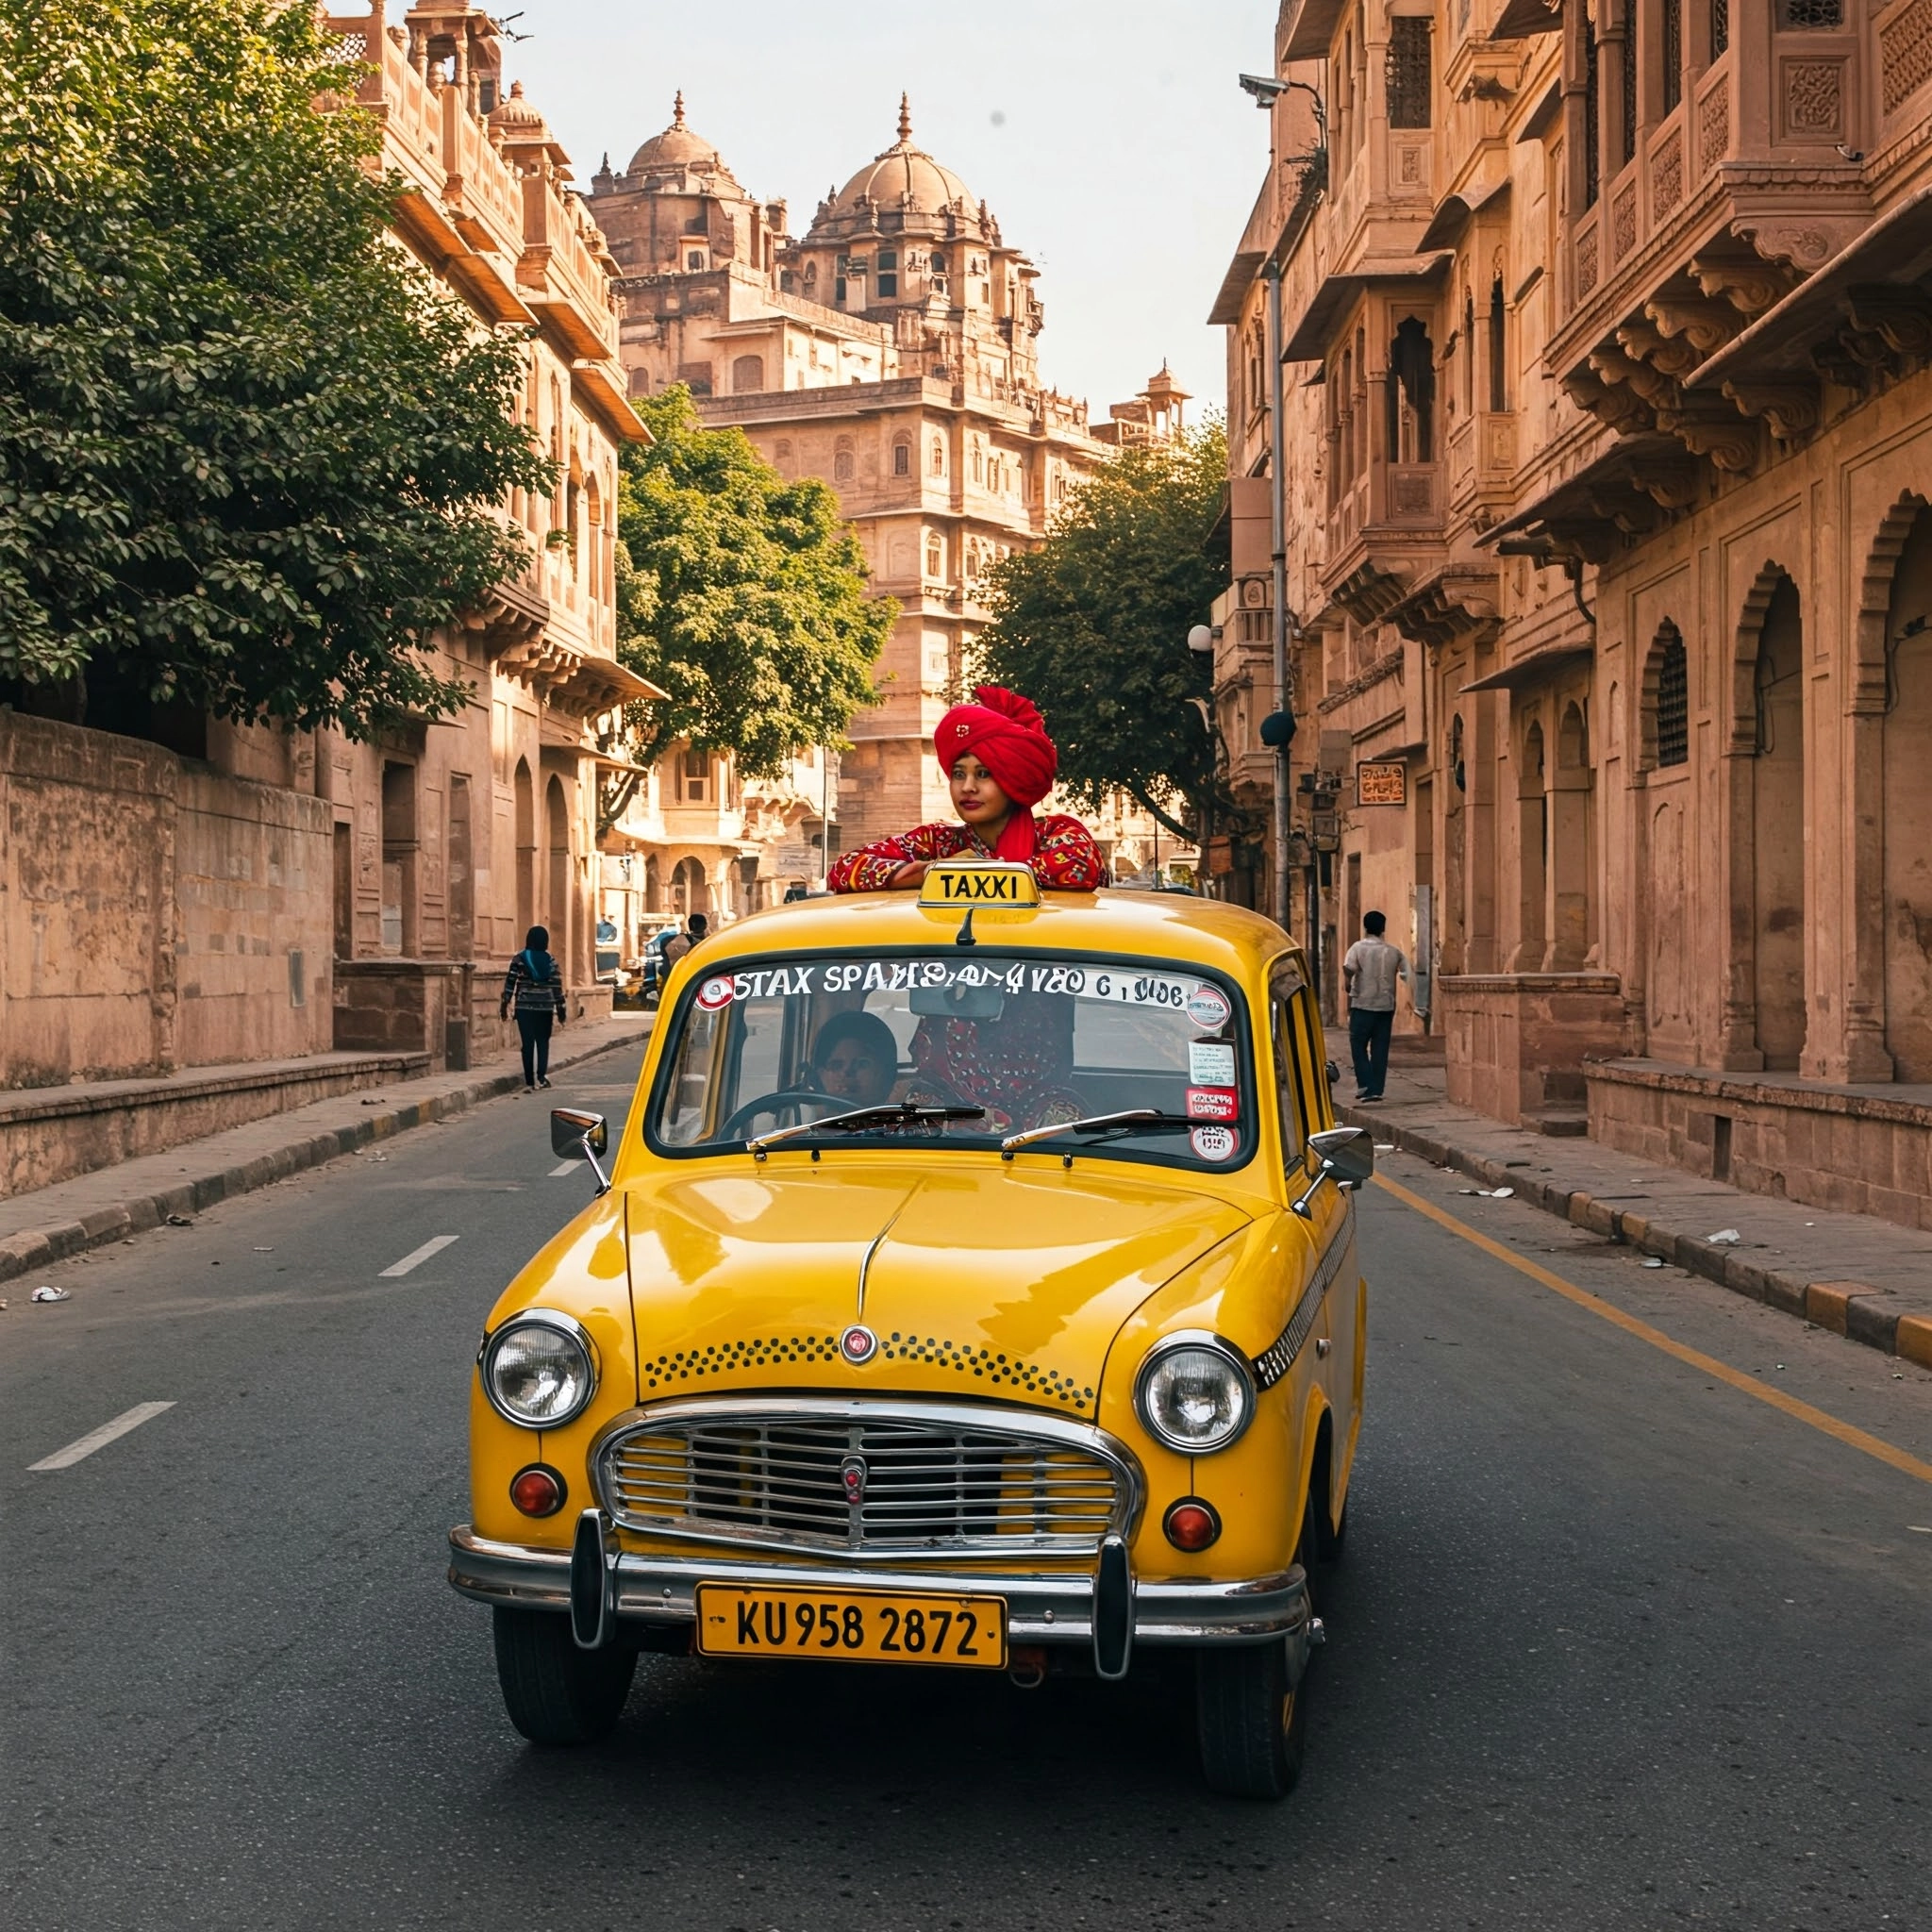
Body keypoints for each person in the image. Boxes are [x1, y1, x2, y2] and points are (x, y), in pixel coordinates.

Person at [826, 686, 1107, 893]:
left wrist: (950, 872)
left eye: (983, 774)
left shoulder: (1056, 835)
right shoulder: (938, 842)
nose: (968, 787)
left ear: (1013, 778)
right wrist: (926, 872)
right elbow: (845, 869)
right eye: (958, 774)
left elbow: (1077, 868)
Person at [1341, 910, 1410, 1104]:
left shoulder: (1357, 948)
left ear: (1365, 927)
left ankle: (1366, 1084)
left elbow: (1349, 969)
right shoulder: (1393, 951)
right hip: (1385, 1006)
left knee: (1358, 1045)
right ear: (1383, 928)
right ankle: (1377, 1088)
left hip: (1363, 1004)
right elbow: (1407, 972)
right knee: (1380, 1047)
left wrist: (1347, 983)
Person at [499, 924, 566, 1092]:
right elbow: (557, 985)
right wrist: (561, 1007)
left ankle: (529, 1081)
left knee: (527, 1044)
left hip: (524, 1007)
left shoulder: (519, 959)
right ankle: (542, 1078)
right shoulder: (550, 961)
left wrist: (505, 1003)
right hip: (545, 1007)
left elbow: (510, 982)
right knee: (543, 1043)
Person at [809, 1010, 900, 1108]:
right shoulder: (802, 1121)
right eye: (836, 1065)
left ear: (887, 1075)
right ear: (819, 1076)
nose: (846, 1072)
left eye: (862, 1064)